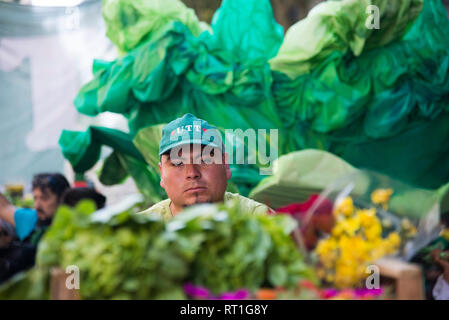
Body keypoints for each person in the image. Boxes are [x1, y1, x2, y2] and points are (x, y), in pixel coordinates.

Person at [140, 113, 272, 220]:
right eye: (177, 163)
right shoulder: (141, 230)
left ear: (225, 165)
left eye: (205, 159)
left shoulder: (262, 220)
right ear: (162, 173)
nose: (192, 172)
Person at [0, 173, 70, 245]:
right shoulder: (30, 219)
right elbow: (3, 207)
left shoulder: (74, 228)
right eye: (35, 198)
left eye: (44, 198)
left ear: (62, 199)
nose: (37, 205)